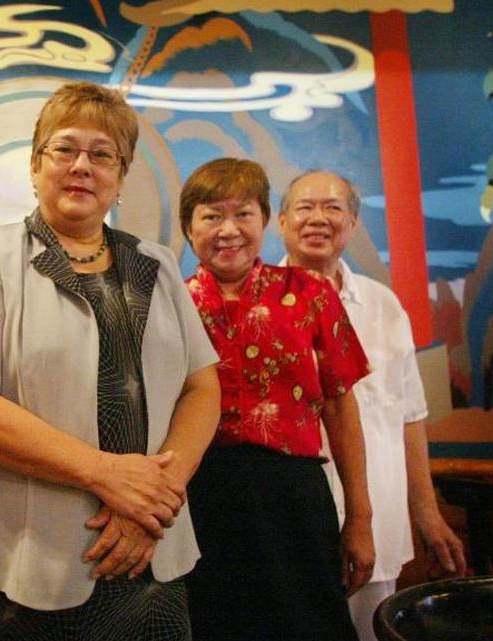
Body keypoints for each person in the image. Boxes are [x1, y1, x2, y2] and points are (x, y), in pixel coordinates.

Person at [0, 81, 222, 640]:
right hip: (34, 562)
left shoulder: (155, 264)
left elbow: (202, 387)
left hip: (152, 549)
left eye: (102, 155)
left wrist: (153, 497)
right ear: (35, 166)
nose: (83, 165)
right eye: (65, 149)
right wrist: (106, 474)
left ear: (121, 177)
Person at [180, 158, 374, 641]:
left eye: (242, 214)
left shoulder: (311, 294)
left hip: (295, 497)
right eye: (210, 216)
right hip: (200, 497)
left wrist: (360, 517)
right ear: (187, 228)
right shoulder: (170, 302)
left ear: (266, 221)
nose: (228, 230)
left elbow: (340, 406)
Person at [278, 170, 467, 640]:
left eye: (333, 207)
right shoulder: (258, 304)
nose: (317, 218)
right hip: (289, 519)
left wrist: (426, 508)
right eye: (304, 207)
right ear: (280, 221)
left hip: (376, 519)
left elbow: (408, 413)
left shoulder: (383, 305)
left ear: (354, 223)